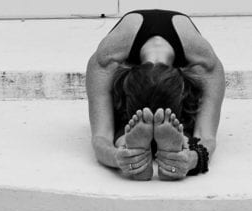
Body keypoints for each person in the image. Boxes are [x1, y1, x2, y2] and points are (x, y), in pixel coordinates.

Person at [85, 9, 225, 181]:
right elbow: (206, 136)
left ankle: (129, 147)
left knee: (148, 125)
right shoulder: (107, 60)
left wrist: (115, 156)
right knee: (186, 134)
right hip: (134, 98)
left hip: (176, 99)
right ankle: (178, 146)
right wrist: (194, 158)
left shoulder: (204, 64)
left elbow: (101, 139)